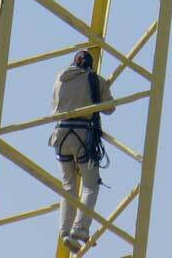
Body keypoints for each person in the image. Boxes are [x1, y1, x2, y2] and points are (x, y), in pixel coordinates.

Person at [48, 50, 115, 252]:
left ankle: (65, 232)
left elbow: (53, 105)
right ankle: (80, 229)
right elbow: (110, 108)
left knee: (68, 185)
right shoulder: (93, 79)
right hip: (82, 134)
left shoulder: (60, 77)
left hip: (60, 134)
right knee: (91, 184)